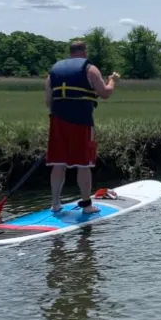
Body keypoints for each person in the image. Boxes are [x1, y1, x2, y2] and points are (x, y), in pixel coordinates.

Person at [44, 39, 119, 214]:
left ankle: (55, 204)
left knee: (58, 163)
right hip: (82, 122)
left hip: (58, 122)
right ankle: (87, 206)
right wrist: (112, 80)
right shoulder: (90, 69)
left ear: (70, 52)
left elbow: (49, 102)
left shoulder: (52, 73)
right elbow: (105, 93)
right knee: (83, 164)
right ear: (85, 52)